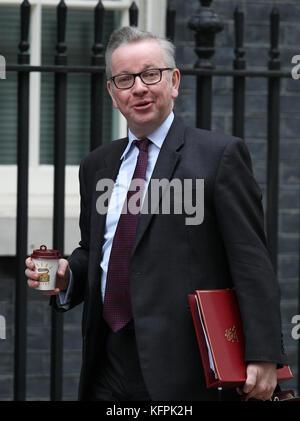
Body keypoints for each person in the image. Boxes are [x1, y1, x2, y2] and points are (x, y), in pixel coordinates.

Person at [26, 26, 287, 401]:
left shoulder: (219, 156)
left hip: (186, 367)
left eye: (151, 74)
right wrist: (69, 274)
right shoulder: (97, 165)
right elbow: (97, 251)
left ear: (174, 81)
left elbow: (251, 262)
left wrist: (263, 356)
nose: (140, 88)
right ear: (113, 93)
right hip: (107, 362)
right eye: (125, 79)